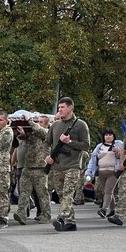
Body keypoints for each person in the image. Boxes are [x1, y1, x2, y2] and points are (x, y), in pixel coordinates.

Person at [45, 97, 90, 231]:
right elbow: (47, 143)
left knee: (68, 193)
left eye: (63, 107)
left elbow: (86, 145)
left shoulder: (80, 124)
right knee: (61, 195)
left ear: (71, 108)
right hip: (57, 166)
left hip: (73, 165)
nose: (60, 110)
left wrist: (69, 142)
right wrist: (47, 157)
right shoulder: (55, 125)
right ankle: (70, 222)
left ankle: (61, 218)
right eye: (59, 108)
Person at [13, 114, 51, 224]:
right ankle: (21, 214)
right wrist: (22, 132)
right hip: (28, 166)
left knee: (42, 193)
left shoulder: (47, 133)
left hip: (40, 167)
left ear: (47, 124)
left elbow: (40, 130)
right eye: (37, 121)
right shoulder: (32, 133)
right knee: (24, 192)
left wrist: (30, 121)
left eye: (41, 122)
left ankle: (45, 215)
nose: (38, 124)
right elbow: (23, 138)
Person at [84, 128, 123, 219]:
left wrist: (119, 152)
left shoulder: (119, 144)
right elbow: (93, 160)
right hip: (101, 172)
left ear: (114, 136)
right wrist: (89, 172)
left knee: (108, 191)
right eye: (106, 135)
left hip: (113, 172)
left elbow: (124, 155)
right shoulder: (99, 146)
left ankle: (104, 209)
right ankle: (113, 209)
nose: (108, 136)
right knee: (108, 191)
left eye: (110, 135)